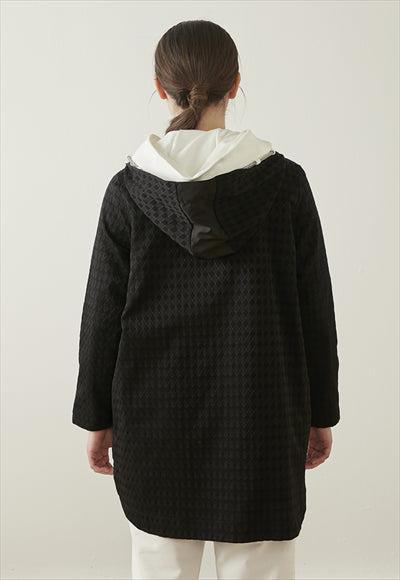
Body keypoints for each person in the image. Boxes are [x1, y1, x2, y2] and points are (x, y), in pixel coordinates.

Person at [72, 19, 340, 580]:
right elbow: (316, 310)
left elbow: (101, 315)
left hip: (152, 423)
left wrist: (96, 417)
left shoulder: (129, 191)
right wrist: (321, 414)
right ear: (235, 85)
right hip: (262, 421)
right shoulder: (285, 185)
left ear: (159, 86)